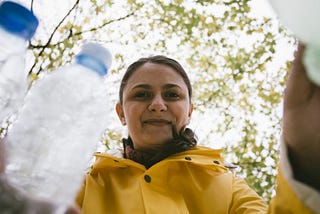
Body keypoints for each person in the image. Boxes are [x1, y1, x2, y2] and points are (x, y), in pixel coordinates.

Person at [75, 44, 319, 213]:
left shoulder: (227, 184)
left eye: (172, 94)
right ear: (121, 113)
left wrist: (305, 164)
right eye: (142, 94)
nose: (157, 105)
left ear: (189, 112)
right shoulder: (85, 186)